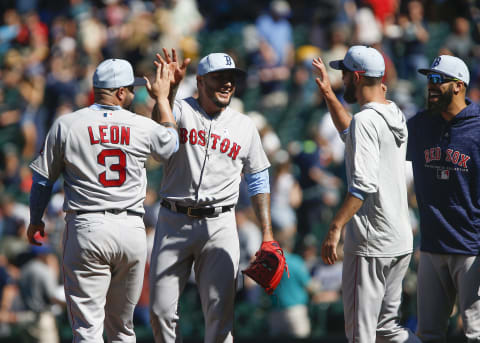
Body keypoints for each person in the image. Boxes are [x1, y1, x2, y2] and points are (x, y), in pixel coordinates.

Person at [26, 57, 179, 342]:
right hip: (131, 229)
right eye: (131, 90)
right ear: (120, 92)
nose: (134, 95)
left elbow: (43, 180)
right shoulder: (140, 125)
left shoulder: (68, 124)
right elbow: (171, 144)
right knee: (122, 330)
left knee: (87, 331)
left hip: (87, 227)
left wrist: (36, 219)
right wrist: (163, 100)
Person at [149, 51, 277, 343]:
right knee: (160, 312)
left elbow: (258, 178)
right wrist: (166, 96)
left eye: (231, 78)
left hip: (220, 224)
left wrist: (267, 233)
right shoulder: (180, 109)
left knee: (220, 316)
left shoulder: (245, 125)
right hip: (173, 220)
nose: (227, 84)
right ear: (201, 81)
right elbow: (160, 127)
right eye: (219, 77)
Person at [313, 45, 421, 343]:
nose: (342, 79)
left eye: (345, 74)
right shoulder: (393, 112)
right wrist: (328, 94)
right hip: (399, 239)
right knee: (387, 330)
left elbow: (362, 186)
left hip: (371, 242)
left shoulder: (365, 120)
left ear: (358, 76)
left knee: (361, 335)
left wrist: (335, 227)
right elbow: (351, 134)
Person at [407, 55, 480, 342]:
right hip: (432, 246)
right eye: (429, 79)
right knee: (428, 334)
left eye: (438, 80)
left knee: (475, 333)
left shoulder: (477, 129)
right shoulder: (420, 125)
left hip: (471, 247)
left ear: (459, 86)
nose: (431, 86)